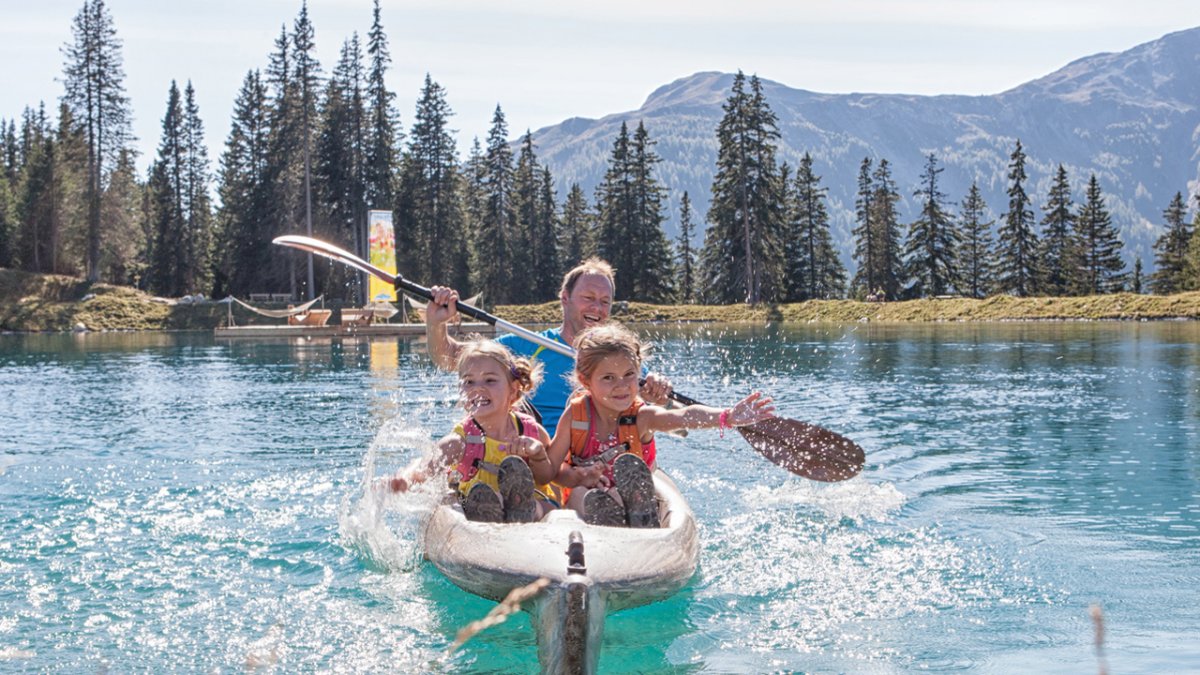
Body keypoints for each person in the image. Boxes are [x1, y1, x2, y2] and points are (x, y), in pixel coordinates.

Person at [546, 323, 775, 528]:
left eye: (629, 374)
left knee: (616, 492)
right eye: (608, 378)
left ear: (639, 374)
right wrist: (579, 476)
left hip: (632, 496)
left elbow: (683, 417)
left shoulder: (641, 417)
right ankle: (610, 523)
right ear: (586, 381)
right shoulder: (575, 417)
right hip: (591, 498)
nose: (622, 386)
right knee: (578, 494)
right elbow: (553, 471)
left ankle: (639, 517)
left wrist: (726, 416)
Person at [425, 258, 673, 436]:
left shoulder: (623, 360)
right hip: (538, 454)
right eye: (588, 298)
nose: (597, 308)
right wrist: (436, 324)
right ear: (565, 298)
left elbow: (668, 415)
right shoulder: (527, 345)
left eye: (604, 301)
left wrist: (659, 396)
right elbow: (449, 357)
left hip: (598, 456)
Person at [389, 338, 558, 523]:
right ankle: (493, 508)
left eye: (490, 380)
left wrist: (538, 455)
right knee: (473, 501)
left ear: (513, 389)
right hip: (478, 508)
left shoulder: (533, 433)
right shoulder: (460, 441)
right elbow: (426, 467)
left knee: (547, 507)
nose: (478, 388)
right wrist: (405, 479)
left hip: (531, 507)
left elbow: (548, 477)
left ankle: (523, 510)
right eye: (469, 382)